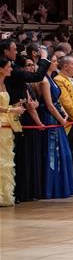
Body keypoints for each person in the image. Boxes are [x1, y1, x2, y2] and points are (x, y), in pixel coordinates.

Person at [37, 54, 73, 198]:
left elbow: (57, 101)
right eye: (53, 61)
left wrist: (64, 113)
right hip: (50, 119)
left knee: (64, 154)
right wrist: (61, 119)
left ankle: (62, 186)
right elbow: (49, 104)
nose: (56, 63)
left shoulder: (52, 79)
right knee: (53, 154)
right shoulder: (44, 81)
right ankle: (52, 188)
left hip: (57, 118)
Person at [0, 58, 25, 206]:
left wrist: (15, 106)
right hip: (1, 124)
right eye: (8, 67)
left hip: (7, 124)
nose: (11, 69)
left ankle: (4, 195)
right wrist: (11, 109)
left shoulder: (5, 84)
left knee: (6, 159)